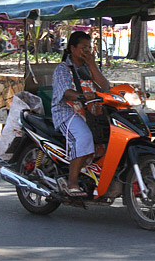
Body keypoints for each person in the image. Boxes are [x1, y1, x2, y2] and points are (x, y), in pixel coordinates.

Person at [51, 31, 110, 197]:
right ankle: (72, 182)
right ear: (72, 48)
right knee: (83, 137)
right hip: (67, 112)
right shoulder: (63, 69)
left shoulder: (87, 67)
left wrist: (92, 65)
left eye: (89, 48)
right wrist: (81, 96)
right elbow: (66, 92)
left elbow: (105, 87)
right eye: (84, 47)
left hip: (90, 111)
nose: (87, 51)